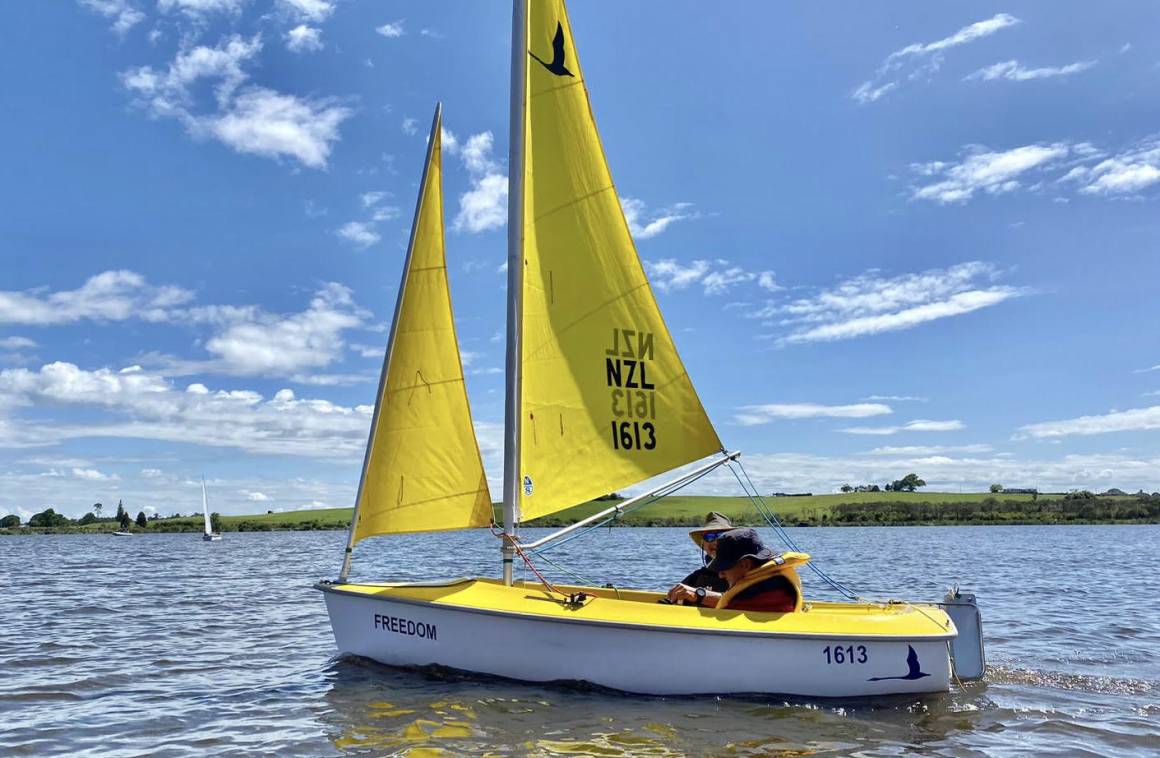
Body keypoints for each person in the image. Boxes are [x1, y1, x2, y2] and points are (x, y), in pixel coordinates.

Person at [668, 528, 807, 613]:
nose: (721, 575)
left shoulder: (769, 592)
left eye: (724, 568)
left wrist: (700, 595)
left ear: (745, 565)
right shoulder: (769, 581)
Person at [665, 512, 731, 604]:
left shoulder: (744, 573)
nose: (715, 542)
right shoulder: (696, 578)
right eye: (709, 537)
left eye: (721, 536)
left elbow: (741, 602)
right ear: (703, 543)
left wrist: (699, 595)